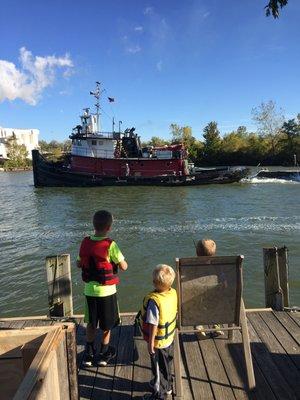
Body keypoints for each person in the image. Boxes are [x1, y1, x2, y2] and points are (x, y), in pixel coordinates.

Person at [77, 210, 128, 367]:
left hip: (89, 292)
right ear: (109, 227)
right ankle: (104, 354)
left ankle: (89, 354)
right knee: (106, 326)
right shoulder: (111, 245)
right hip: (107, 292)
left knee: (91, 323)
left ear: (93, 225)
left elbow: (79, 263)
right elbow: (124, 266)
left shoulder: (85, 243)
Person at [138, 264, 177, 400]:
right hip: (169, 339)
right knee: (167, 364)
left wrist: (150, 343)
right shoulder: (172, 293)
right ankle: (168, 387)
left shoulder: (154, 302)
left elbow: (153, 324)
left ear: (154, 282)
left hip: (158, 342)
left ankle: (159, 394)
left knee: (159, 367)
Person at [195, 239, 224, 337]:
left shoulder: (191, 265)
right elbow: (224, 282)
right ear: (214, 253)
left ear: (197, 253)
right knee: (216, 302)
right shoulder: (219, 266)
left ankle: (199, 326)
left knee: (195, 304)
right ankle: (216, 326)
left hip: (198, 299)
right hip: (215, 298)